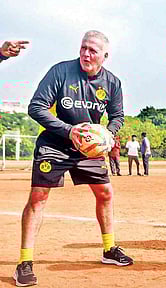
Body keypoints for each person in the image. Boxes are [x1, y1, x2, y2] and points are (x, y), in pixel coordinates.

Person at [14, 30, 133, 287]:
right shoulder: (61, 72)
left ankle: (109, 248)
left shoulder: (112, 83)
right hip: (55, 144)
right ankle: (25, 262)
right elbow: (36, 107)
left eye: (92, 50)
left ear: (105, 56)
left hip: (89, 149)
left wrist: (106, 135)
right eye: (83, 48)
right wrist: (70, 131)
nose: (86, 54)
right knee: (38, 197)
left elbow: (117, 116)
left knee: (105, 194)